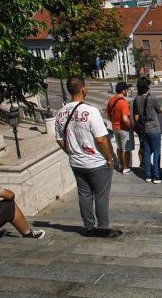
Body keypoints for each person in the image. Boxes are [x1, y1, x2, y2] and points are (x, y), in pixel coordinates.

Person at [55, 76, 121, 238]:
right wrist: (109, 157)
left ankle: (89, 227)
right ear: (83, 89)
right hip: (96, 162)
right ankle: (103, 228)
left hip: (76, 163)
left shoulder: (61, 113)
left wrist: (71, 153)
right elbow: (100, 139)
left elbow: (59, 139)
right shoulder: (91, 111)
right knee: (101, 195)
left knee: (84, 195)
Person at [133, 76, 162, 183]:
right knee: (156, 152)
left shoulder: (136, 98)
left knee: (146, 152)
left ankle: (148, 176)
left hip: (143, 129)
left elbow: (136, 117)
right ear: (147, 87)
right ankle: (157, 176)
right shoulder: (152, 98)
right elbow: (160, 110)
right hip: (154, 128)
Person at [106, 81, 133, 174]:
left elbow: (107, 113)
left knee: (119, 148)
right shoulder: (123, 102)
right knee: (126, 149)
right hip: (123, 129)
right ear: (123, 91)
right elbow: (125, 119)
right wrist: (131, 127)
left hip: (115, 128)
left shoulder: (111, 100)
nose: (127, 91)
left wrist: (113, 121)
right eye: (126, 89)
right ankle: (126, 168)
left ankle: (121, 165)